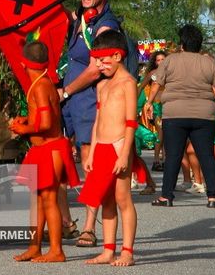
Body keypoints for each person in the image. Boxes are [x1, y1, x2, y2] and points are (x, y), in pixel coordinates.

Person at [58, 0, 120, 247]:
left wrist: (66, 90)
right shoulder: (80, 17)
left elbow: (97, 68)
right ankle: (65, 222)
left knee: (89, 161)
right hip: (69, 95)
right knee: (57, 157)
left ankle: (89, 226)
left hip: (86, 96)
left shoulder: (106, 25)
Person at [146, 24, 215, 208]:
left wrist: (149, 102)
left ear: (182, 45)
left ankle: (166, 196)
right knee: (207, 156)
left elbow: (156, 84)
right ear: (199, 45)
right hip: (204, 115)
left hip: (174, 114)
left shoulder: (170, 61)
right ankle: (212, 197)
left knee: (173, 156)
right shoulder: (210, 62)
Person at [10, 41, 80, 263]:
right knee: (39, 200)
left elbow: (47, 122)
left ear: (23, 63)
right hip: (44, 148)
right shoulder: (43, 82)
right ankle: (35, 247)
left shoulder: (40, 86)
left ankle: (57, 250)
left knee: (49, 199)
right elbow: (42, 117)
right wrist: (28, 120)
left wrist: (24, 128)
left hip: (51, 148)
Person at [77, 31, 138, 266]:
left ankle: (127, 251)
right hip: (100, 146)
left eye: (103, 61)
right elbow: (98, 120)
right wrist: (91, 152)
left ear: (117, 55)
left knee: (123, 198)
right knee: (106, 200)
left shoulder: (128, 83)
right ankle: (107, 250)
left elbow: (131, 122)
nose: (99, 66)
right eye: (97, 61)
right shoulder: (102, 85)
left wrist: (124, 154)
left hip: (118, 146)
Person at [138, 50, 167, 172]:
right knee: (161, 133)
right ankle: (156, 160)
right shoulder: (152, 74)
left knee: (166, 134)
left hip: (169, 106)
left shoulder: (171, 73)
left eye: (163, 60)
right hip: (156, 108)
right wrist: (135, 104)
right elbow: (140, 88)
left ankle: (165, 160)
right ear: (155, 62)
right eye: (158, 60)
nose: (160, 62)